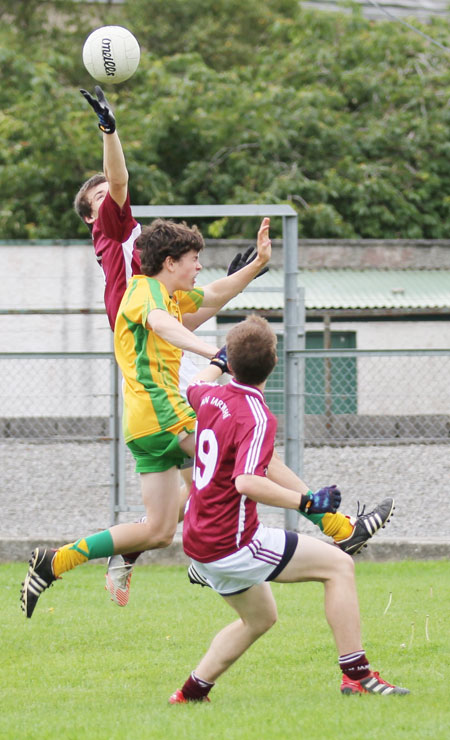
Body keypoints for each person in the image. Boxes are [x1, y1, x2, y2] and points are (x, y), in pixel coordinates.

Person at [169, 316, 410, 702]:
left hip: (199, 539)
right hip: (232, 544)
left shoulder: (208, 396)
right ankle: (357, 676)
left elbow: (197, 382)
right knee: (339, 567)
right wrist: (306, 501)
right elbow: (247, 482)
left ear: (231, 363)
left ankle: (190, 693)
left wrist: (218, 360)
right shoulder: (258, 416)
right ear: (275, 363)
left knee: (260, 618)